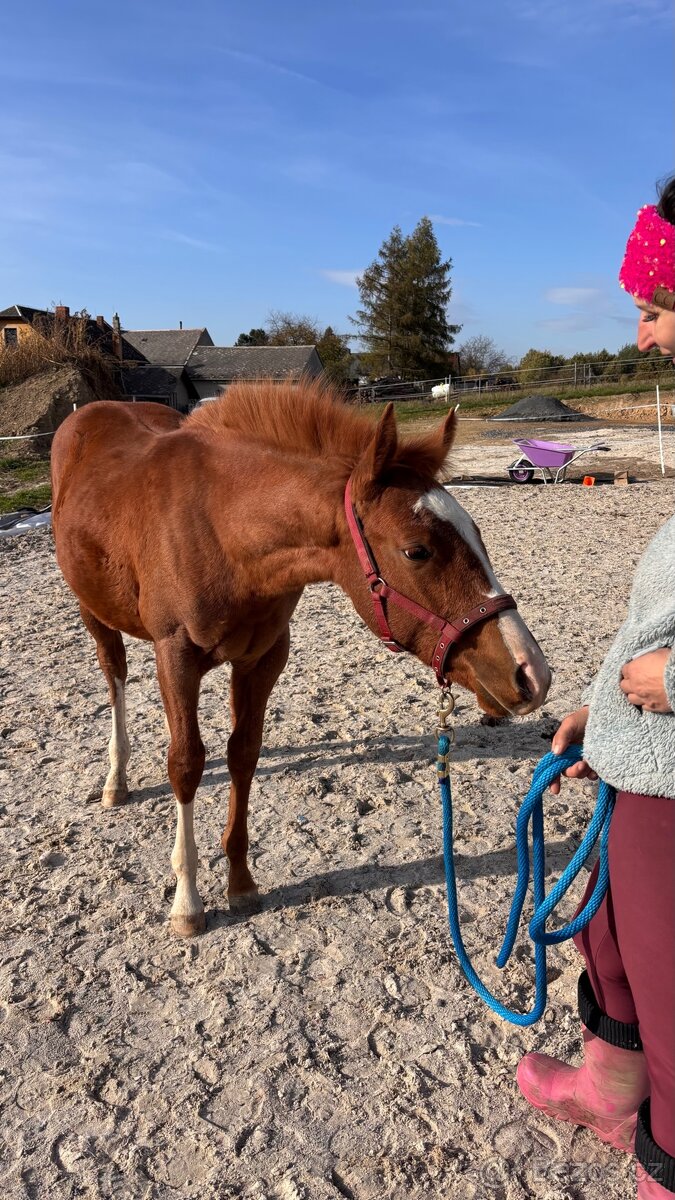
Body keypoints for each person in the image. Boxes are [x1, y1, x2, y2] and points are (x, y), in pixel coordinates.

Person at [516, 176, 675, 1199]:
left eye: (656, 310)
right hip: (639, 750)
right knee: (610, 935)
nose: (647, 339)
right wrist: (598, 704)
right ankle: (613, 1094)